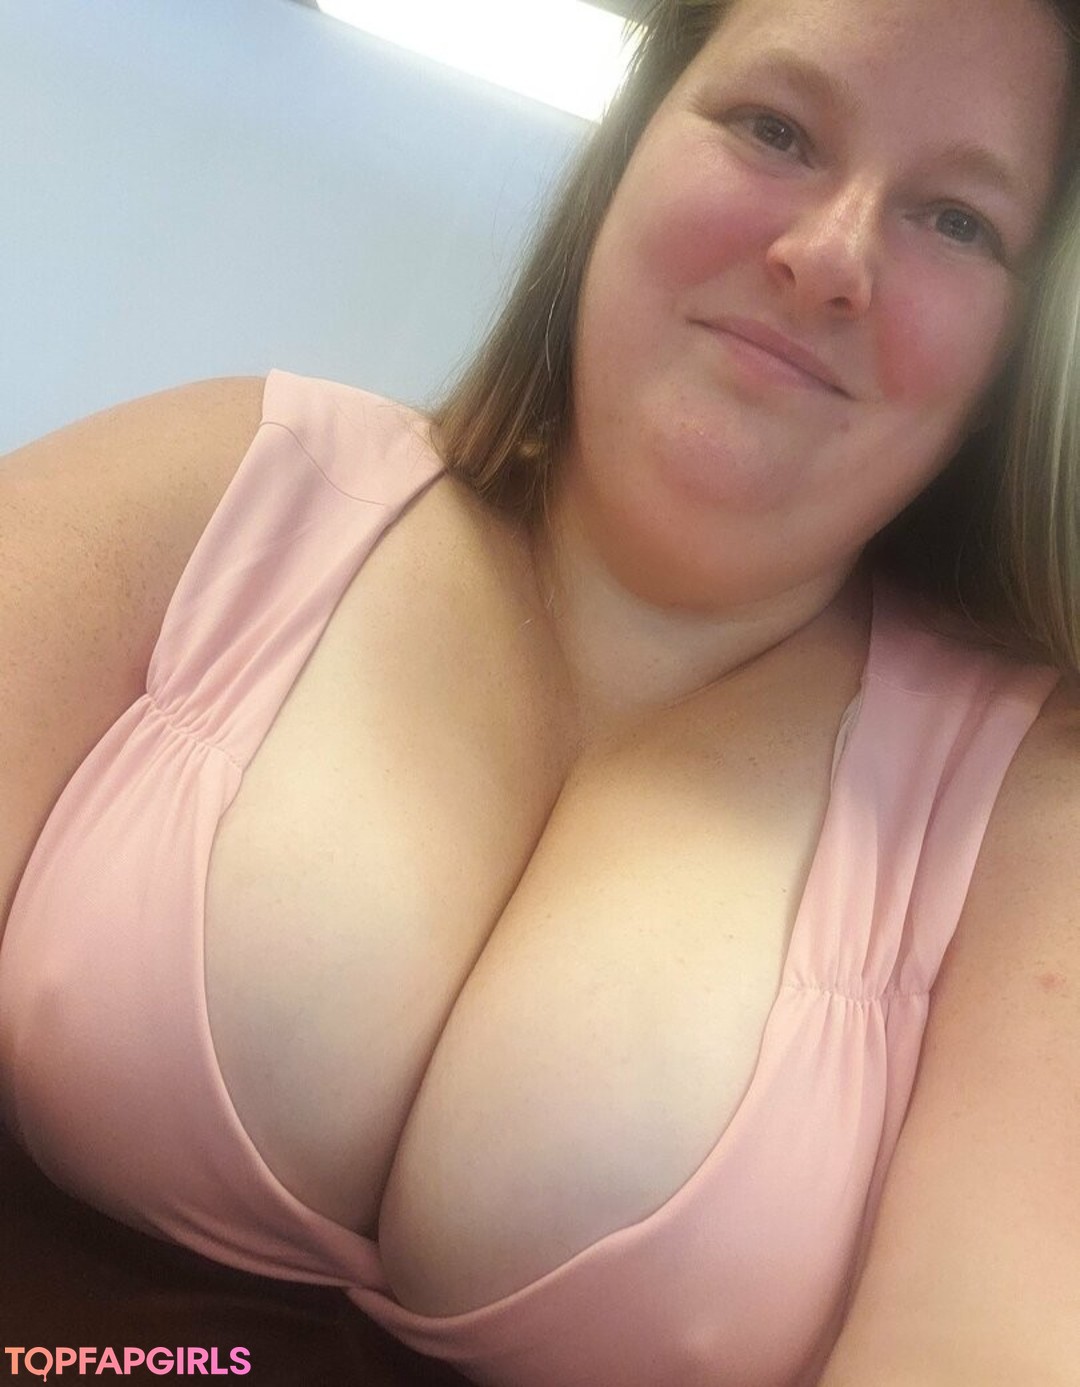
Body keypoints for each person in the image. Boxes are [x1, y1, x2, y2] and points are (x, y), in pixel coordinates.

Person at [1, 0, 1078, 1382]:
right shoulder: (228, 482)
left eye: (958, 221)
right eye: (775, 129)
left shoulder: (1032, 810)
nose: (829, 256)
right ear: (631, 149)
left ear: (1017, 357)